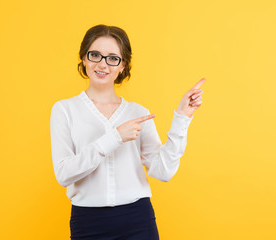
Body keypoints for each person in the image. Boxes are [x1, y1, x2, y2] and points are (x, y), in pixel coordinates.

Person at [50, 24, 205, 240]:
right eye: (95, 55)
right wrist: (115, 137)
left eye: (113, 58)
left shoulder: (138, 112)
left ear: (123, 66)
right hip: (88, 222)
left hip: (138, 220)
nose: (102, 64)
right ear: (84, 58)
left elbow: (163, 171)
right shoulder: (64, 110)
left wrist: (182, 118)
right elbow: (64, 174)